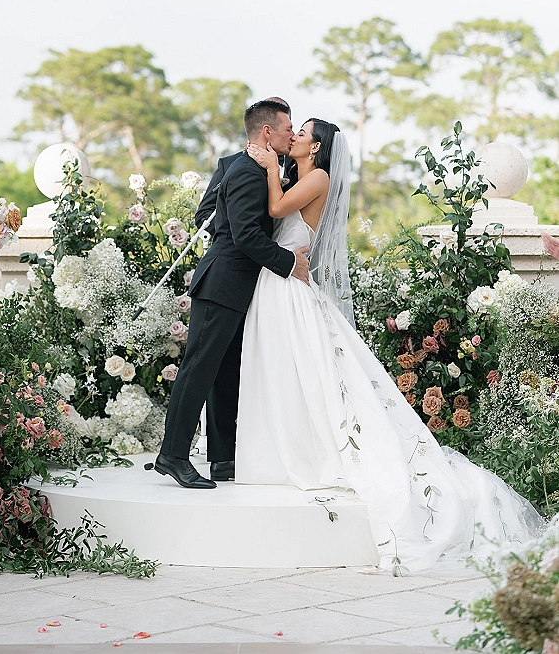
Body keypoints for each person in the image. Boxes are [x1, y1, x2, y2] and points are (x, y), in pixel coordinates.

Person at [236, 118, 543, 573]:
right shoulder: (302, 174)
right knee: (287, 371)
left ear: (316, 146)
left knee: (302, 371)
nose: (294, 137)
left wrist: (265, 166)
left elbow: (278, 210)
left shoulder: (316, 176)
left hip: (289, 290)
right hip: (280, 284)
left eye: (301, 133)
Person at [153, 100, 310, 489]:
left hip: (241, 286)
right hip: (223, 281)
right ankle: (172, 455)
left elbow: (220, 217)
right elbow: (246, 235)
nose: (293, 132)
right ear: (267, 132)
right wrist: (289, 262)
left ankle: (224, 459)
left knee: (226, 373)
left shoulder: (259, 169)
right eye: (288, 126)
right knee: (199, 369)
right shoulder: (244, 172)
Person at [195, 96, 298, 235]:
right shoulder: (230, 164)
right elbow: (204, 215)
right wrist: (241, 229)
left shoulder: (297, 164)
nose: (293, 135)